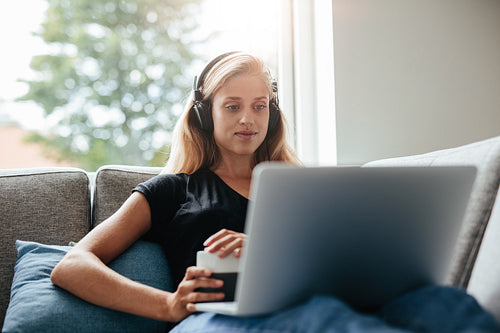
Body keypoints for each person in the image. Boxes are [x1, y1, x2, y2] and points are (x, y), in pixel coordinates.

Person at [51, 52, 500, 332]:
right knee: (324, 319)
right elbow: (73, 266)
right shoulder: (172, 190)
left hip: (317, 304)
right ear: (204, 115)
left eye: (259, 106)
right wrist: (168, 305)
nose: (249, 118)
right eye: (233, 106)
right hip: (218, 319)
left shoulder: (304, 186)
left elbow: (346, 262)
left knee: (442, 303)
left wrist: (273, 249)